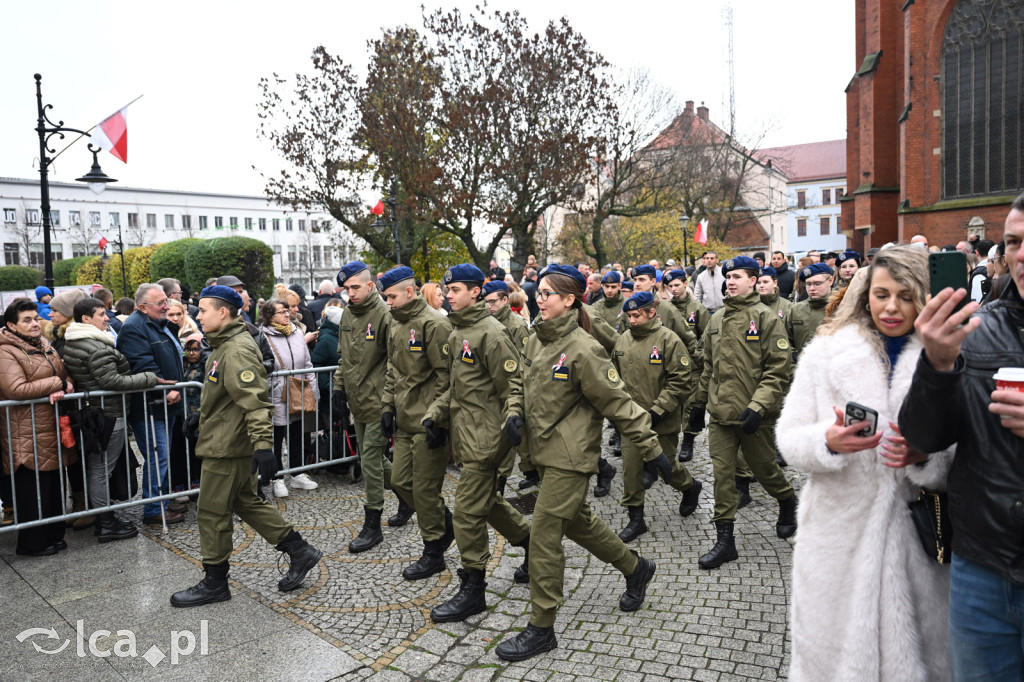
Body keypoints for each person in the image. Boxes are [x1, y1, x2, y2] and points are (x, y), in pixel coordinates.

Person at [778, 247, 952, 680]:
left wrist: (927, 453)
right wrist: (829, 442)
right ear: (864, 295)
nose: (892, 307)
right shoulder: (826, 353)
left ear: (924, 298)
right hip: (837, 538)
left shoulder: (946, 357)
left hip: (918, 542)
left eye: (906, 295)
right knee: (832, 661)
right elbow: (788, 438)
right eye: (881, 294)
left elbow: (970, 447)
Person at [494, 264, 663, 662]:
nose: (540, 299)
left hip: (571, 458)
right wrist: (514, 412)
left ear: (570, 300)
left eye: (547, 294)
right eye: (538, 293)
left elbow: (619, 405)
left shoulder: (586, 349)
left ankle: (541, 628)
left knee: (546, 536)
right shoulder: (535, 338)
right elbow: (518, 382)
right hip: (542, 452)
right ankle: (636, 567)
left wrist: (653, 450)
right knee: (577, 522)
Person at [898, 193, 1024, 680]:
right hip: (981, 568)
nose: (1021, 254)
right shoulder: (978, 328)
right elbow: (924, 437)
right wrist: (936, 364)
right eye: (1013, 242)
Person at [170, 286, 323, 607]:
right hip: (224, 440)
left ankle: (215, 582)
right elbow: (227, 396)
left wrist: (264, 447)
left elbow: (255, 403)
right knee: (246, 503)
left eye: (203, 310)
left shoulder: (236, 349)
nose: (197, 315)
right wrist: (200, 418)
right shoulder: (224, 346)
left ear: (222, 312)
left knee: (211, 513)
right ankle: (300, 550)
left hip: (227, 448)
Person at [425, 264, 531, 622]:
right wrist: (434, 416)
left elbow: (514, 387)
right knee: (488, 504)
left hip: (488, 440)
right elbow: (457, 389)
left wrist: (512, 423)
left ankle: (473, 588)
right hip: (466, 436)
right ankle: (532, 543)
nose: (448, 295)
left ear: (475, 292)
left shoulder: (492, 334)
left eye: (454, 289)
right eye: (447, 289)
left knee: (468, 513)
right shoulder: (459, 333)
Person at [690, 256, 797, 569]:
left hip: (754, 417)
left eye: (737, 276)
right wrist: (697, 408)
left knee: (764, 470)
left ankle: (788, 500)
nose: (731, 281)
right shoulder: (716, 319)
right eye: (728, 277)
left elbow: (779, 369)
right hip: (721, 418)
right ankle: (726, 541)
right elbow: (708, 368)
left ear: (754, 280)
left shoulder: (766, 318)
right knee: (722, 477)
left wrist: (758, 405)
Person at [63, 297, 175, 543]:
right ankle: (105, 522)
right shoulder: (94, 346)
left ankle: (105, 518)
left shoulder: (80, 340)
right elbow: (112, 382)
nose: (107, 318)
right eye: (101, 314)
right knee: (102, 469)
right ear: (85, 319)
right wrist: (149, 378)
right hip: (108, 413)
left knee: (100, 468)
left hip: (100, 413)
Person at [377, 267, 454, 564]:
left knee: (424, 488)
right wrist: (387, 406)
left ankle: (433, 550)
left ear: (410, 292)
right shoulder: (396, 324)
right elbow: (393, 369)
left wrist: (437, 417)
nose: (388, 302)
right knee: (399, 481)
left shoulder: (434, 324)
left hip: (428, 421)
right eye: (386, 297)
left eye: (392, 296)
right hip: (405, 418)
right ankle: (445, 522)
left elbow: (447, 376)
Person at [611, 291, 703, 542]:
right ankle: (636, 519)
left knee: (666, 469)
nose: (632, 321)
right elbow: (615, 379)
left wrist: (658, 410)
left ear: (651, 313)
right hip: (632, 421)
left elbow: (681, 381)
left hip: (662, 421)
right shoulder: (623, 341)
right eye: (629, 316)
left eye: (637, 315)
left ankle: (690, 487)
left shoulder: (669, 340)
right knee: (631, 470)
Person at [332, 262, 406, 538]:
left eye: (355, 287)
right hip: (357, 400)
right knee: (368, 456)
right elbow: (344, 359)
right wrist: (339, 389)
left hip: (379, 400)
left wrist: (389, 404)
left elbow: (394, 363)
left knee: (371, 460)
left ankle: (373, 521)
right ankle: (408, 495)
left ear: (370, 285)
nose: (350, 293)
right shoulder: (348, 315)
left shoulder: (386, 314)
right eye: (346, 288)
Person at [0, 298, 75, 556]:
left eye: (35, 318)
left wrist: (67, 384)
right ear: (11, 325)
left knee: (53, 486)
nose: (34, 323)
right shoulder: (5, 349)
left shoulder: (43, 343)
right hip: (24, 430)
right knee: (32, 490)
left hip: (49, 426)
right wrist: (57, 384)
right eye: (27, 320)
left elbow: (62, 373)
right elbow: (16, 389)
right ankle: (32, 544)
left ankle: (54, 536)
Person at [116, 283, 185, 526]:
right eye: (161, 303)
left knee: (162, 456)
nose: (167, 306)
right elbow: (142, 364)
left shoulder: (158, 324)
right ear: (143, 307)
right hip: (150, 405)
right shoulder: (134, 328)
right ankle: (154, 508)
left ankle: (163, 501)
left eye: (167, 300)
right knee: (158, 458)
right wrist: (166, 389)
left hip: (166, 402)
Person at [258, 299, 318, 497]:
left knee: (297, 433)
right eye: (282, 311)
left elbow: (307, 363)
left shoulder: (297, 332)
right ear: (269, 316)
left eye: (287, 310)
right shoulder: (262, 336)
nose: (287, 314)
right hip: (276, 392)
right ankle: (277, 478)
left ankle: (297, 473)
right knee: (276, 435)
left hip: (298, 390)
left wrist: (313, 391)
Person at [483, 280, 538, 492]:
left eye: (493, 302)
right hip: (496, 386)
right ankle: (529, 471)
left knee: (518, 434)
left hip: (515, 386)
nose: (489, 306)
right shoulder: (489, 322)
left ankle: (511, 477)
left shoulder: (517, 326)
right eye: (485, 302)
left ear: (505, 300)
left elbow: (526, 359)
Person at [786, 263, 834, 361]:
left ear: (830, 281)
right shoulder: (795, 310)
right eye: (808, 284)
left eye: (817, 284)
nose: (812, 288)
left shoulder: (841, 308)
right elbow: (785, 340)